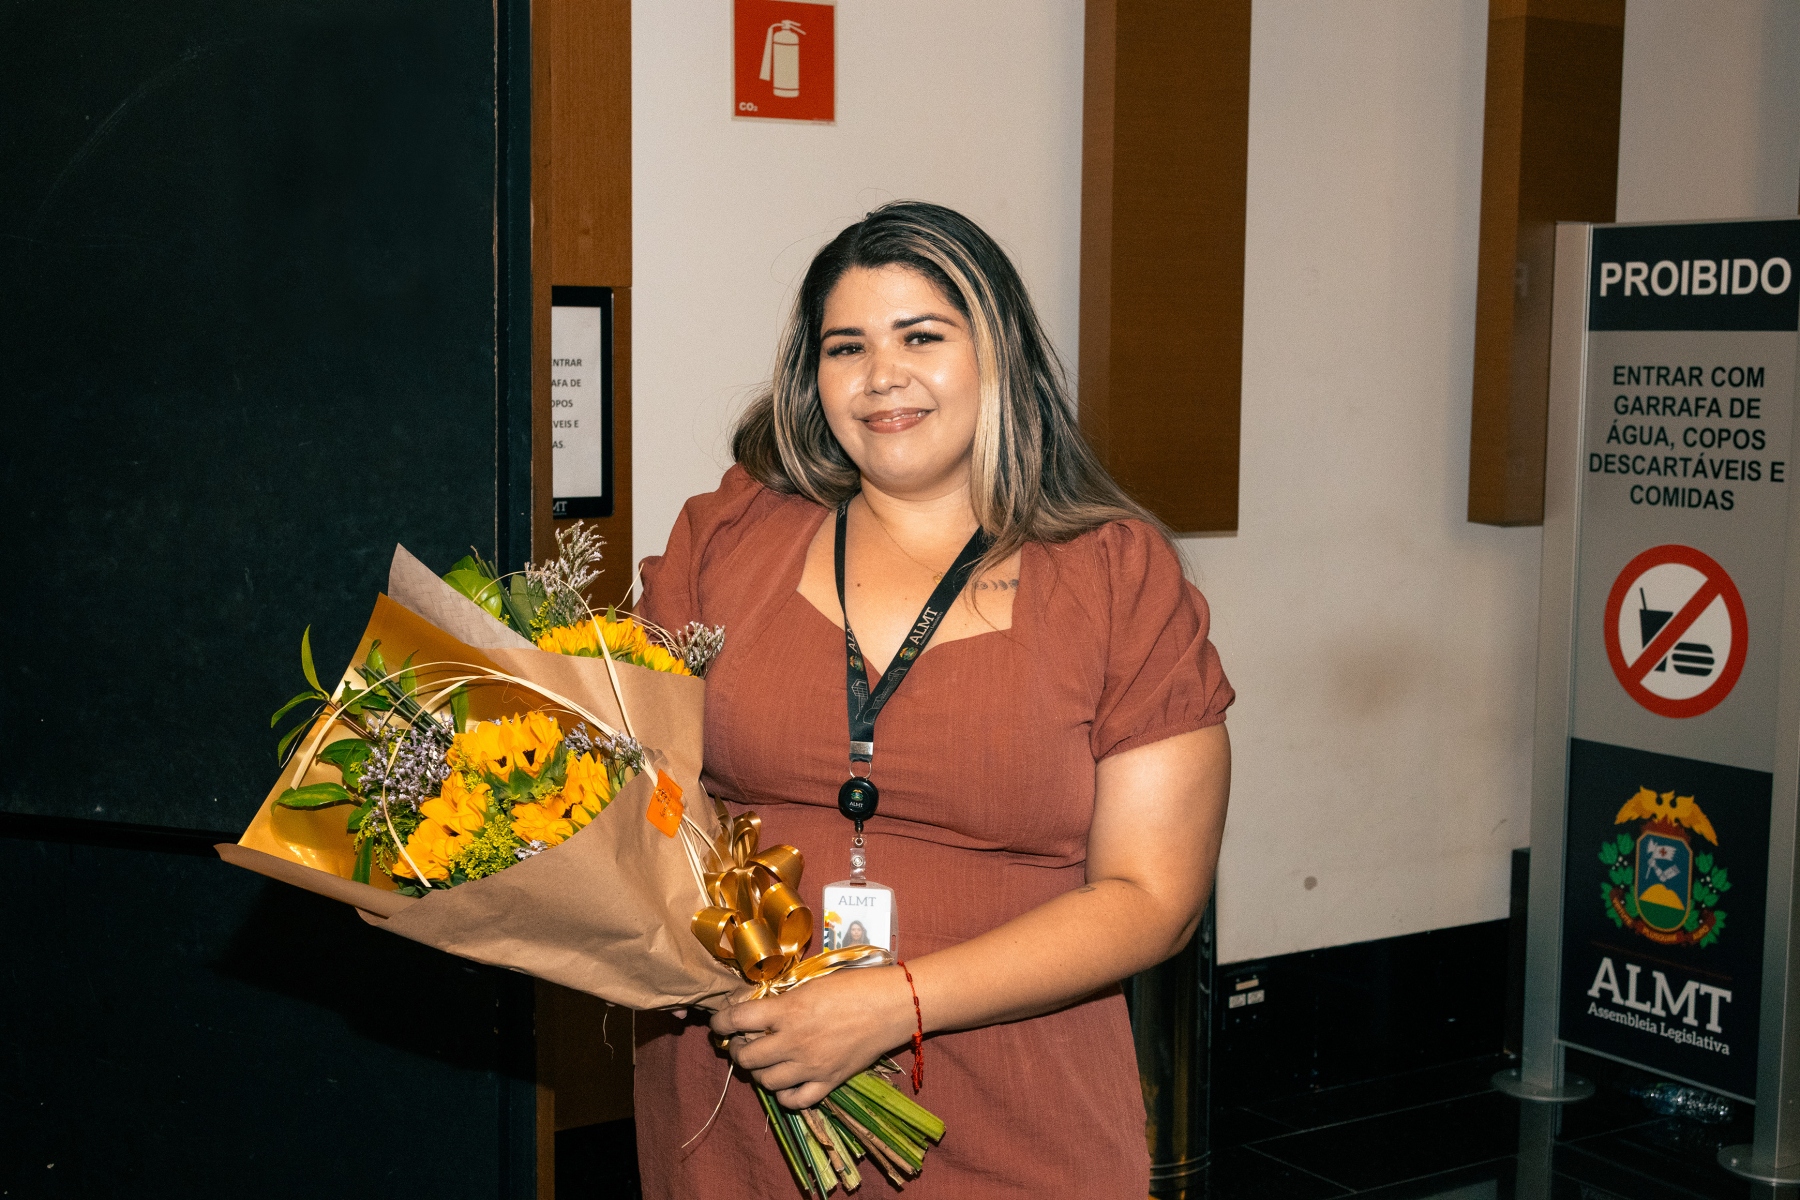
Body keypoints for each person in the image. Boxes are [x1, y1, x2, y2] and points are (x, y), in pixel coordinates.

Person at [634, 201, 1232, 1198]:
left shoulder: (1115, 577)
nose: (882, 376)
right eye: (846, 347)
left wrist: (890, 1004)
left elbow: (1151, 898)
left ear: (998, 357)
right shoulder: (729, 535)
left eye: (921, 337)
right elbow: (630, 781)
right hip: (739, 1091)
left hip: (1013, 1109)